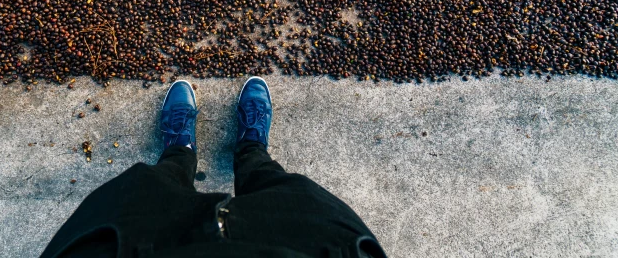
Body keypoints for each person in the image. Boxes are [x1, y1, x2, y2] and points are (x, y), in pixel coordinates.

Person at [40, 77, 386, 258]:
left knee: (148, 191)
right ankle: (251, 147)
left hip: (131, 248)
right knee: (285, 191)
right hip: (305, 248)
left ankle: (179, 150)